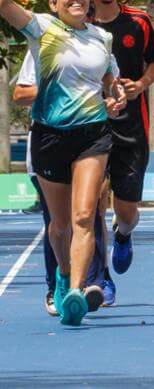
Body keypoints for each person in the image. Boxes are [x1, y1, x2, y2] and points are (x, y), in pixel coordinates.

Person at [1, 0, 127, 326]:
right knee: (58, 226)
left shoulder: (102, 38)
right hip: (50, 135)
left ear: (89, 1)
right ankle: (62, 273)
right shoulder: (42, 28)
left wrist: (116, 96)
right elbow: (3, 4)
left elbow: (111, 82)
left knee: (84, 216)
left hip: (93, 135)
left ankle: (75, 290)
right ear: (54, 4)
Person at [84, 0, 154, 308]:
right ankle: (101, 277)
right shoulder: (79, 24)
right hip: (91, 126)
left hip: (132, 129)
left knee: (126, 210)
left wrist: (141, 85)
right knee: (92, 204)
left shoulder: (139, 22)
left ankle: (123, 234)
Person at [12, 52, 60, 316]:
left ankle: (84, 281)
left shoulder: (98, 41)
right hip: (47, 143)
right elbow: (20, 94)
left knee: (84, 218)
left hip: (87, 142)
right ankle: (56, 286)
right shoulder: (40, 48)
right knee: (55, 221)